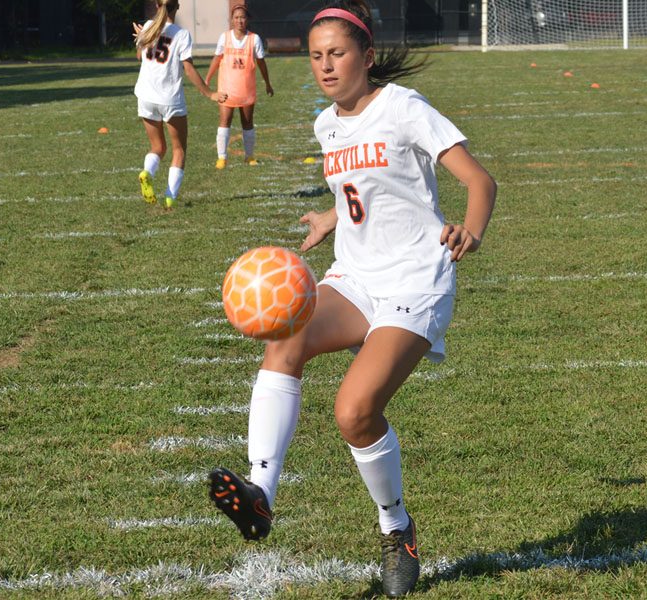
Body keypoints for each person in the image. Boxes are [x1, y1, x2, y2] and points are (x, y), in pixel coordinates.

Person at [208, 0, 496, 596]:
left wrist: (470, 228)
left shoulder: (403, 108)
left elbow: (479, 180)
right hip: (356, 277)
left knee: (354, 412)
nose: (326, 66)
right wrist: (330, 216)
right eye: (316, 57)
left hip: (416, 281)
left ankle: (398, 532)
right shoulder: (326, 125)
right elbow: (362, 193)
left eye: (337, 53)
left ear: (366, 55)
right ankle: (261, 493)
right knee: (284, 335)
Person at [133, 0, 226, 209]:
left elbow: (140, 57)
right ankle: (170, 197)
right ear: (177, 7)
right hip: (169, 98)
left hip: (145, 96)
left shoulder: (147, 26)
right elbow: (189, 70)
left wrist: (140, 39)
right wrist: (209, 93)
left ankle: (147, 172)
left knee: (157, 147)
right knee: (179, 150)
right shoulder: (181, 34)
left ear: (157, 6)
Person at [205, 3, 274, 169]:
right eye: (236, 18)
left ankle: (249, 156)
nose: (240, 21)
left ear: (247, 19)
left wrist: (267, 83)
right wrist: (207, 79)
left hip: (246, 89)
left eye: (242, 17)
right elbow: (217, 59)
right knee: (224, 120)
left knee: (248, 122)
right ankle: (222, 158)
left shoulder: (254, 39)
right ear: (232, 20)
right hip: (226, 88)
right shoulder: (225, 37)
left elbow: (261, 63)